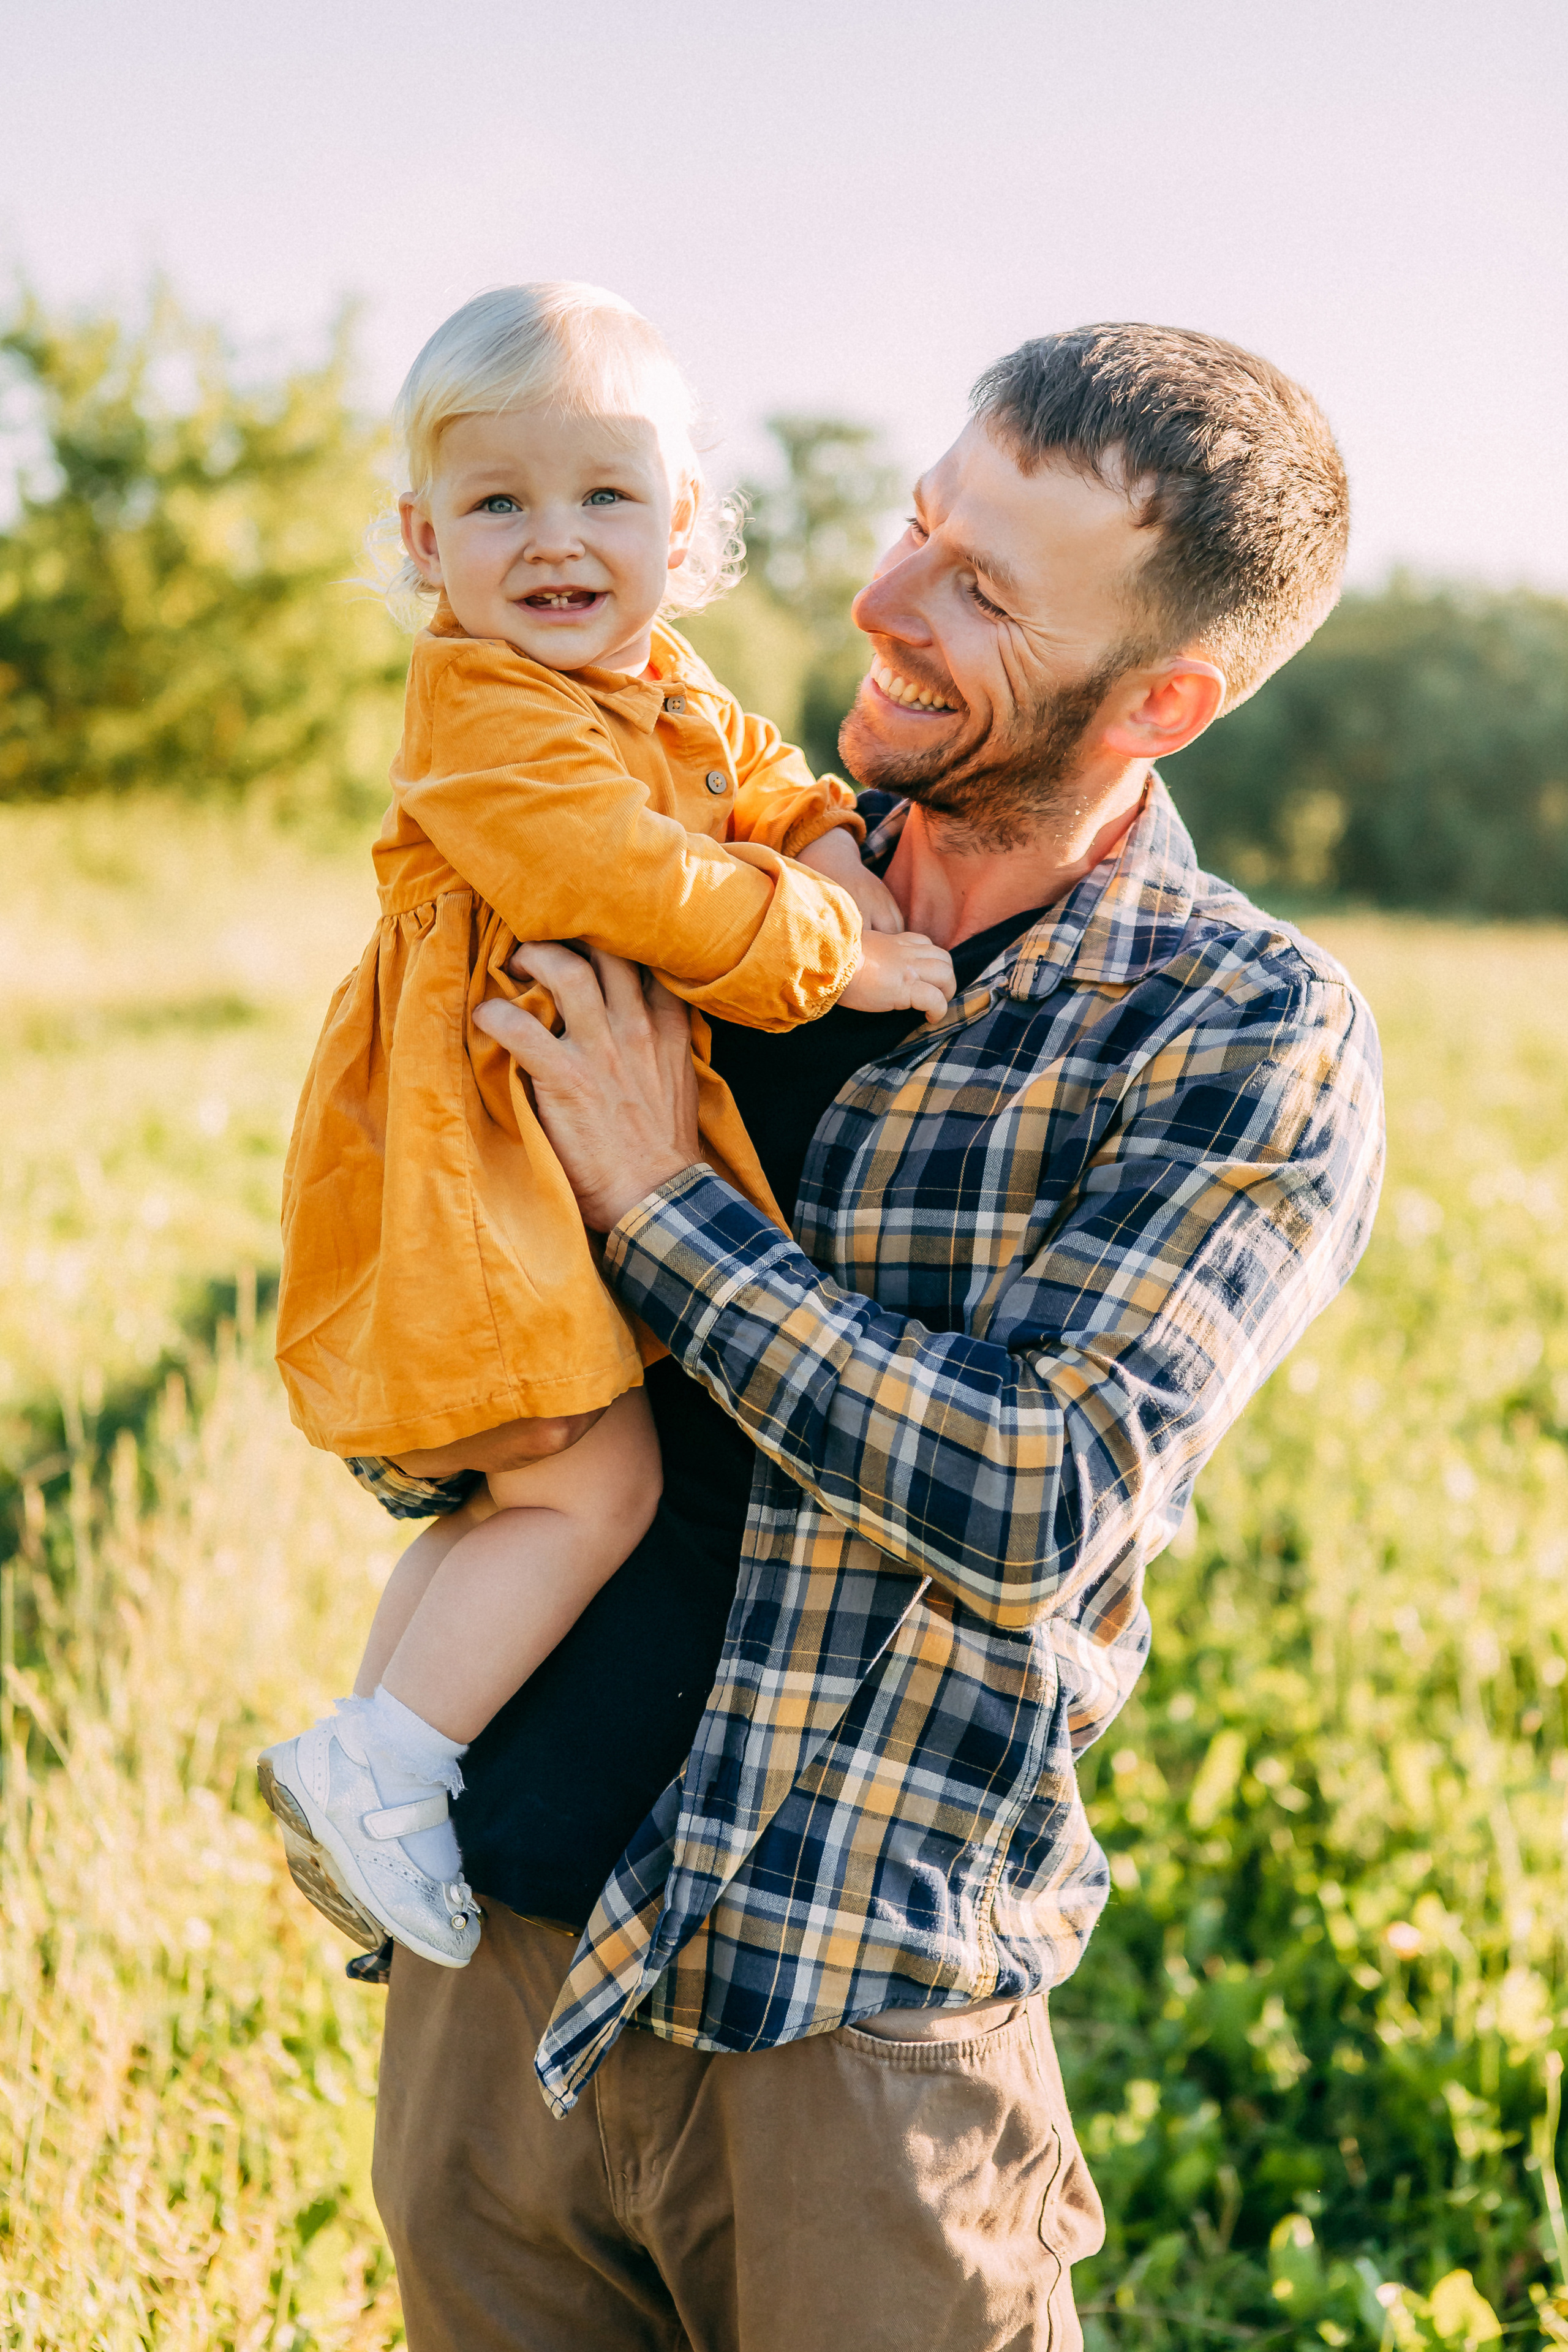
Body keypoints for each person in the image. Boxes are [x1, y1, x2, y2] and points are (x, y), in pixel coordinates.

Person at [353, 324, 1384, 2352]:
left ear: (1165, 698)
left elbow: (1038, 1491)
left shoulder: (1240, 1027)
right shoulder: (698, 874)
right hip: (494, 1966)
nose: (881, 600)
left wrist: (664, 1210)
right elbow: (441, 1323)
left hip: (845, 2021)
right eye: (925, 522)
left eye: (982, 592)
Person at [258, 283, 957, 1971]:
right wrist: (834, 947)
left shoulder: (663, 685)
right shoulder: (486, 705)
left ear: (683, 526)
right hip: (470, 1144)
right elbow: (612, 875)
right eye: (498, 502)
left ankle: (372, 1765)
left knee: (522, 1488)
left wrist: (822, 832)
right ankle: (391, 1762)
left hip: (514, 1146)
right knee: (597, 1481)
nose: (553, 541)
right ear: (427, 542)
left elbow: (760, 773)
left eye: (603, 496)